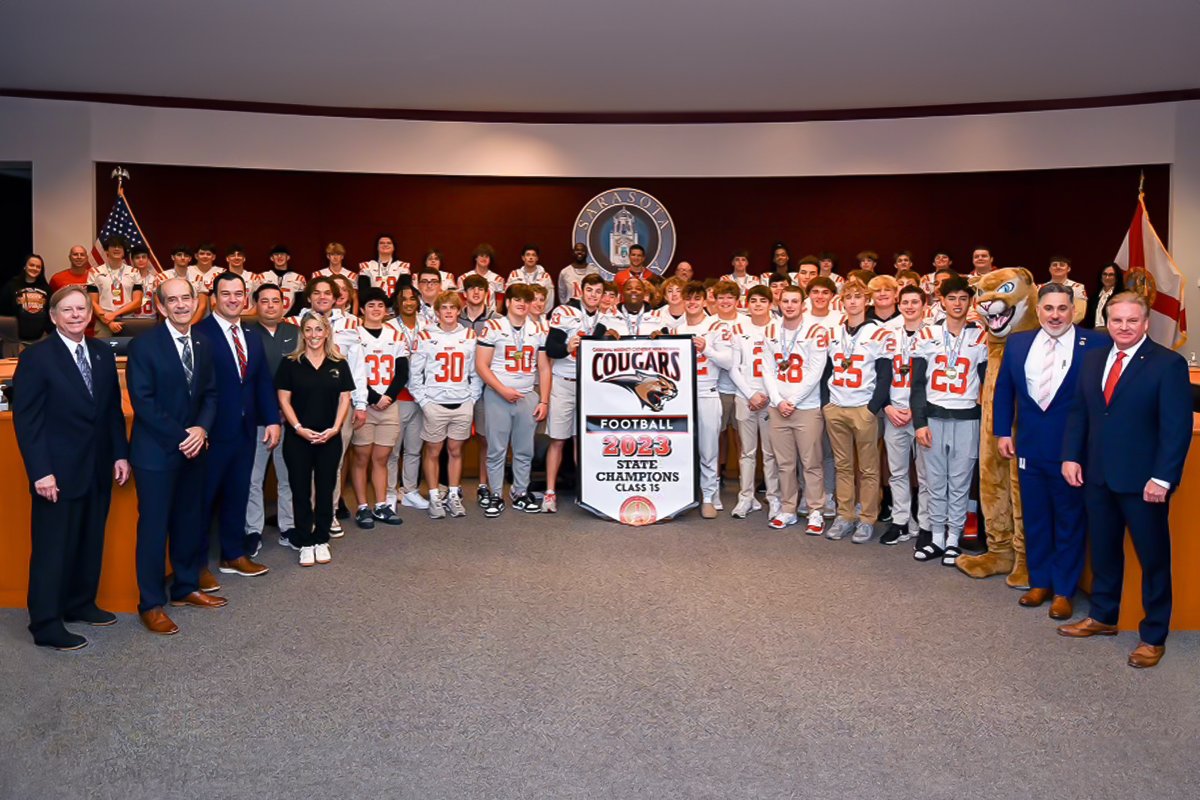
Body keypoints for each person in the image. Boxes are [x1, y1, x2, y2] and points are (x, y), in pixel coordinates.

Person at [1058, 292, 1192, 668]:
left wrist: (1163, 479)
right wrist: (1071, 455)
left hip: (1144, 483)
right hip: (1097, 476)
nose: (1124, 327)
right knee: (1103, 551)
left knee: (1153, 560)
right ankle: (1102, 616)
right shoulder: (1093, 359)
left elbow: (1176, 429)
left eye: (1132, 320)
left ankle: (1153, 636)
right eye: (1117, 320)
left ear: (1146, 323)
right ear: (1108, 322)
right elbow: (1079, 412)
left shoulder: (1168, 365)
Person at [13, 285, 130, 649]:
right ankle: (46, 623)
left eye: (82, 308)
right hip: (56, 473)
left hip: (97, 467)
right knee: (53, 547)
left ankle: (80, 603)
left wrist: (119, 454)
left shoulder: (100, 352)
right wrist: (40, 472)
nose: (77, 314)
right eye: (68, 310)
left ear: (91, 313)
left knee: (89, 539)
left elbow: (111, 410)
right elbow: (27, 421)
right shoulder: (36, 357)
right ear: (53, 316)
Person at [994, 284, 1110, 620]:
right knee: (1036, 518)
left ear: (1073, 311)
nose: (1055, 315)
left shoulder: (1097, 343)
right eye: (1048, 308)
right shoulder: (1017, 343)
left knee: (1069, 519)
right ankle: (1039, 581)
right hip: (1029, 446)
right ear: (1038, 310)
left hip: (1072, 451)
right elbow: (1004, 390)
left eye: (1062, 308)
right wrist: (1003, 430)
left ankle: (1063, 590)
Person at [127, 278, 223, 636]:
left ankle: (184, 588)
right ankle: (151, 604)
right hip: (156, 453)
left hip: (194, 449)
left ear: (196, 302)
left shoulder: (203, 342)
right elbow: (144, 402)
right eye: (173, 300)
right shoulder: (144, 345)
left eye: (187, 298)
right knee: (153, 530)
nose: (181, 305)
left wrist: (201, 430)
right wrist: (183, 435)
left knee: (189, 521)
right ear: (161, 306)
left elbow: (211, 395)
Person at [194, 271, 280, 582]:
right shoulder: (199, 334)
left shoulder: (252, 337)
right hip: (211, 434)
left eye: (238, 293)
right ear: (214, 298)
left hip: (246, 432)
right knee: (202, 501)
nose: (233, 299)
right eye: (226, 293)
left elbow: (261, 383)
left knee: (237, 494)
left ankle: (233, 554)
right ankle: (197, 565)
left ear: (246, 298)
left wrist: (271, 418)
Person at [910, 277, 989, 565]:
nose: (957, 304)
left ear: (970, 303)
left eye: (963, 298)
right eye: (952, 298)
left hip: (967, 417)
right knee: (934, 481)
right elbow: (917, 384)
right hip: (933, 416)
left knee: (959, 481)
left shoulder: (980, 336)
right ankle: (936, 538)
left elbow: (986, 382)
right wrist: (919, 423)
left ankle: (954, 537)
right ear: (942, 301)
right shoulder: (926, 334)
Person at [276, 313, 356, 566]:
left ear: (326, 333)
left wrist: (335, 428)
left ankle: (321, 539)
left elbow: (345, 398)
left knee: (325, 489)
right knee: (300, 490)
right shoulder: (290, 363)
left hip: (329, 437)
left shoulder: (339, 363)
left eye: (318, 330)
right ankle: (304, 541)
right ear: (303, 333)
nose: (313, 335)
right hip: (298, 438)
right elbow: (283, 399)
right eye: (308, 330)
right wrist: (298, 427)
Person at [821, 278, 894, 543]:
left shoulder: (879, 333)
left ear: (867, 300)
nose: (852, 301)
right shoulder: (833, 333)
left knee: (869, 469)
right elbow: (825, 371)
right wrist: (826, 404)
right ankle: (845, 515)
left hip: (863, 407)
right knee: (843, 466)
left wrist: (872, 408)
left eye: (858, 296)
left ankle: (867, 519)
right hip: (837, 406)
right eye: (848, 297)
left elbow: (886, 375)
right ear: (842, 301)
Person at [475, 283, 551, 516]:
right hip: (498, 395)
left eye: (526, 300)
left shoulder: (537, 329)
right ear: (507, 302)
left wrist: (544, 401)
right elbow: (481, 365)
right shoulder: (494, 326)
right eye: (517, 299)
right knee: (497, 449)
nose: (522, 303)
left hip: (527, 395)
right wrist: (501, 389)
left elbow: (544, 368)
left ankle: (519, 492)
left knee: (524, 449)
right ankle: (496, 494)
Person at [759, 284, 829, 531]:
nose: (789, 305)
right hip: (778, 407)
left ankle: (815, 510)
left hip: (807, 407)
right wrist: (778, 401)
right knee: (784, 463)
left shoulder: (816, 331)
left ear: (803, 304)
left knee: (811, 462)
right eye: (785, 301)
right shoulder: (770, 330)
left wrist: (793, 401)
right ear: (779, 303)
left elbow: (815, 371)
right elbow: (766, 368)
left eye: (794, 301)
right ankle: (788, 508)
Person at [410, 291, 482, 519]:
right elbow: (415, 374)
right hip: (435, 402)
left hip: (461, 402)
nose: (449, 312)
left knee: (455, 450)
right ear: (437, 311)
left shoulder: (469, 335)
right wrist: (424, 401)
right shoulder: (424, 336)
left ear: (459, 311)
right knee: (433, 450)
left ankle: (452, 494)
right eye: (444, 308)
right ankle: (434, 496)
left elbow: (475, 372)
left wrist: (472, 399)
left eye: (453, 307)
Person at [544, 273, 605, 512]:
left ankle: (586, 490)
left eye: (598, 292)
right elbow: (551, 349)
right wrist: (567, 347)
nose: (593, 295)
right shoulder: (564, 312)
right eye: (589, 290)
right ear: (581, 290)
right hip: (565, 381)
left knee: (585, 440)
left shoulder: (605, 315)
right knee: (558, 439)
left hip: (590, 384)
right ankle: (550, 492)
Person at [246, 284, 299, 555]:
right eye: (264, 301)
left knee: (288, 476)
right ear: (255, 304)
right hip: (258, 420)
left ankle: (288, 527)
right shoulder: (245, 334)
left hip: (290, 418)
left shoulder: (296, 333)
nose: (270, 306)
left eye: (275, 301)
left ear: (284, 304)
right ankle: (252, 530)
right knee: (253, 478)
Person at [675, 281, 735, 518]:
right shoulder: (676, 329)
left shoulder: (716, 326)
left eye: (697, 299)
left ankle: (709, 495)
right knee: (680, 447)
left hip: (707, 391)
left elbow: (728, 362)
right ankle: (682, 494)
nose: (692, 303)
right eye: (688, 298)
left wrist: (706, 349)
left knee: (708, 448)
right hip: (680, 396)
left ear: (704, 301)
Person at [350, 288, 408, 529]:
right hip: (363, 403)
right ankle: (363, 506)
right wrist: (373, 397)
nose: (376, 310)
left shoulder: (395, 335)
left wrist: (388, 397)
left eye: (380, 306)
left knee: (382, 457)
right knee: (362, 456)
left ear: (386, 310)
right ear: (362, 309)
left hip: (389, 404)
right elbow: (352, 371)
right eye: (371, 305)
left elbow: (402, 370)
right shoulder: (353, 335)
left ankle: (382, 504)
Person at [878, 284, 932, 546]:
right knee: (897, 472)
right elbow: (878, 375)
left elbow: (936, 377)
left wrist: (918, 409)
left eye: (915, 302)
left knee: (925, 474)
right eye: (906, 302)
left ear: (924, 305)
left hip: (922, 414)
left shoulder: (935, 334)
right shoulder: (888, 334)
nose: (910, 307)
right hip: (894, 413)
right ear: (899, 305)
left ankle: (925, 525)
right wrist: (887, 406)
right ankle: (900, 521)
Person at [727, 285, 782, 519]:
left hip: (771, 398)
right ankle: (746, 497)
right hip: (745, 396)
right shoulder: (737, 328)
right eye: (753, 300)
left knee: (771, 453)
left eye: (763, 300)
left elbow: (783, 366)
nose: (758, 304)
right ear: (746, 304)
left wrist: (768, 395)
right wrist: (750, 394)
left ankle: (774, 498)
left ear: (771, 304)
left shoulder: (780, 327)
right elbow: (733, 366)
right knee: (747, 452)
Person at [384, 285, 430, 511]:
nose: (409, 303)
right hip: (398, 396)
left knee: (414, 448)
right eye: (404, 300)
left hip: (421, 395)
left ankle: (410, 490)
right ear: (397, 303)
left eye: (413, 299)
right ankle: (390, 493)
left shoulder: (428, 324)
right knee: (392, 449)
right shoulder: (389, 326)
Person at [87, 236, 144, 338]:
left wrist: (114, 314)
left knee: (129, 352)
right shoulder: (95, 272)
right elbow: (93, 302)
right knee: (102, 352)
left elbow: (137, 302)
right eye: (113, 246)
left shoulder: (133, 272)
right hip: (103, 321)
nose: (117, 249)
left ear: (124, 251)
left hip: (127, 321)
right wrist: (109, 322)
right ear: (106, 250)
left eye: (120, 247)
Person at [1, 254, 52, 342]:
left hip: (40, 339)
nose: (34, 268)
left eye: (38, 267)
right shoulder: (12, 285)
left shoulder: (46, 288)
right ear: (25, 266)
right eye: (31, 265)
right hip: (16, 341)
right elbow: (3, 310)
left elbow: (51, 311)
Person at [252, 245, 308, 316]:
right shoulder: (262, 277)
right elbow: (256, 300)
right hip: (267, 316)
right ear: (271, 258)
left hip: (290, 318)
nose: (279, 256)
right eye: (276, 254)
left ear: (288, 257)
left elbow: (300, 302)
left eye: (282, 254)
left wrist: (288, 317)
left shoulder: (298, 278)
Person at [357, 234, 410, 308]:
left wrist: (389, 303)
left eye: (389, 243)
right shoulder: (367, 266)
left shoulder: (402, 266)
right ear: (377, 247)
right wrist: (380, 304)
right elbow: (364, 292)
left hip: (396, 308)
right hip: (375, 308)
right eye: (381, 243)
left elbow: (403, 289)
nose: (385, 245)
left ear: (394, 247)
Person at [457, 243, 506, 314]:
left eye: (487, 256)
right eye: (481, 256)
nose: (484, 259)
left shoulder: (498, 279)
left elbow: (499, 306)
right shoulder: (463, 278)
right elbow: (460, 302)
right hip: (468, 318)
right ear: (476, 258)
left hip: (490, 317)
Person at [507, 244, 556, 308]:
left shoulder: (545, 276)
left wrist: (542, 313)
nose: (531, 257)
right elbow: (508, 296)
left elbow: (550, 298)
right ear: (523, 258)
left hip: (538, 314)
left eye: (533, 255)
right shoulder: (514, 275)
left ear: (537, 258)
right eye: (528, 255)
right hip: (519, 314)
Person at [1084, 262, 1123, 331]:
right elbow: (1088, 320)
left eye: (1111, 275)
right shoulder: (1094, 297)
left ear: (1117, 277)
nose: (1107, 277)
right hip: (1093, 334)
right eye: (1104, 274)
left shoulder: (1122, 296)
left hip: (1113, 334)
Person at [127, 246, 162, 320]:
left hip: (151, 320)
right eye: (137, 257)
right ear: (132, 261)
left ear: (148, 259)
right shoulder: (127, 280)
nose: (141, 260)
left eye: (144, 257)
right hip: (131, 320)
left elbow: (160, 305)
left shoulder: (156, 280)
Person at [193, 242, 222, 324]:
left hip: (215, 319)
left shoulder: (221, 272)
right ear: (196, 256)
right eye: (202, 253)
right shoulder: (187, 271)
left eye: (208, 254)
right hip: (190, 315)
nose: (205, 256)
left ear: (213, 257)